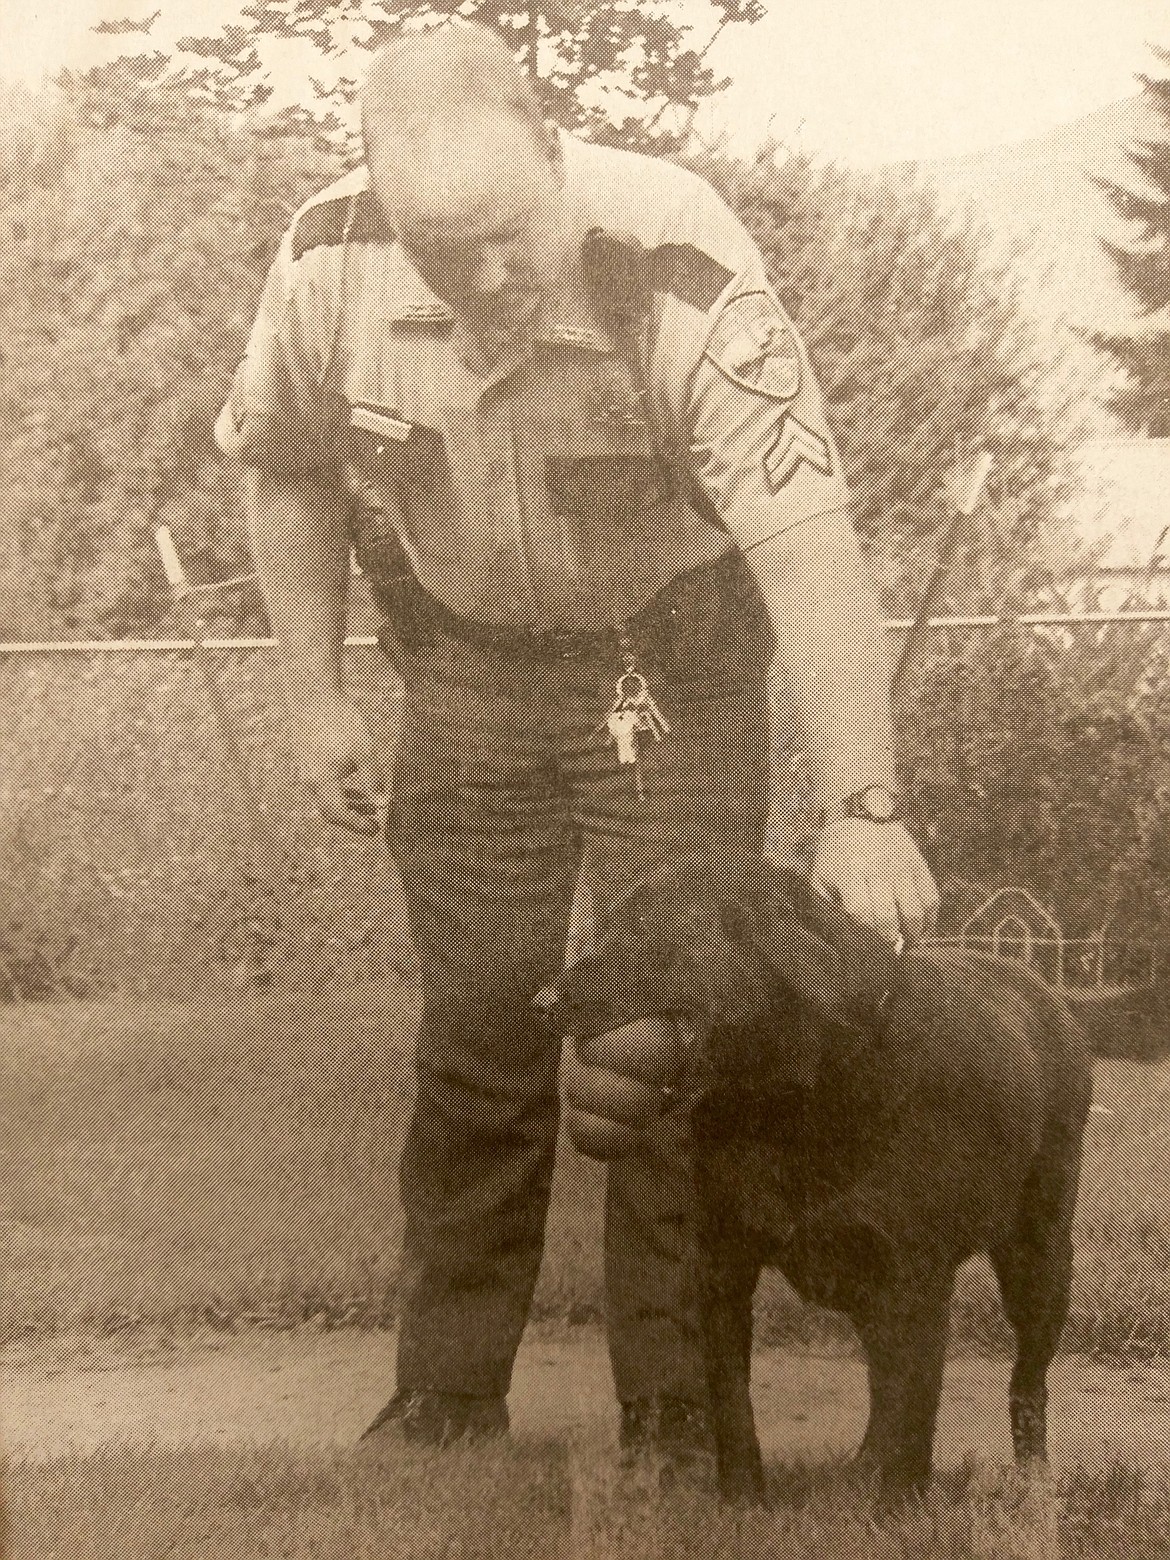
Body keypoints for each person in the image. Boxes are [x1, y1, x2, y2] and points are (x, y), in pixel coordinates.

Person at [215, 22, 939, 1469]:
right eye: (441, 247)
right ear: (375, 196)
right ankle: (445, 1395)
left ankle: (673, 1403)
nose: (482, 276)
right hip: (469, 676)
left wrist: (864, 803)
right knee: (478, 1030)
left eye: (503, 236)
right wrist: (314, 697)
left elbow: (805, 549)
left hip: (666, 671)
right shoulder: (323, 261)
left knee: (665, 1037)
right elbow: (282, 472)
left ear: (554, 156)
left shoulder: (676, 258)